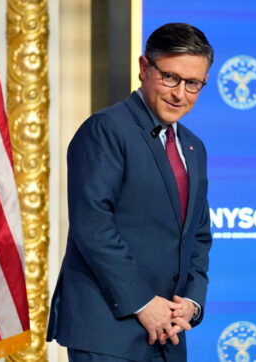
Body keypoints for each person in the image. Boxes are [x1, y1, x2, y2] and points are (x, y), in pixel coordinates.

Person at [47, 23, 214, 361]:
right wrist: (142, 302)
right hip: (109, 331)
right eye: (170, 77)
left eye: (193, 84)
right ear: (143, 68)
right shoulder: (106, 130)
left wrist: (191, 304)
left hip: (168, 334)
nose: (179, 93)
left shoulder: (193, 147)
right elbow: (93, 225)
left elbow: (197, 234)